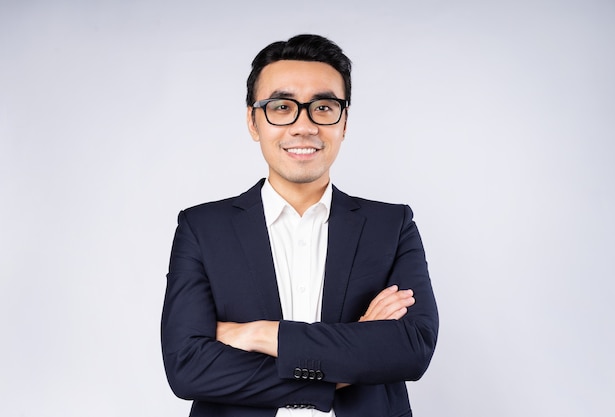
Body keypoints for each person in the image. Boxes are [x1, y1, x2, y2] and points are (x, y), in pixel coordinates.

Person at [161, 34, 438, 417]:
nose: (303, 125)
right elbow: (187, 367)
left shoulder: (391, 225)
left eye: (323, 107)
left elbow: (411, 347)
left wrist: (260, 333)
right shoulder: (203, 228)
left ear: (343, 122)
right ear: (253, 121)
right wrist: (346, 364)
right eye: (281, 106)